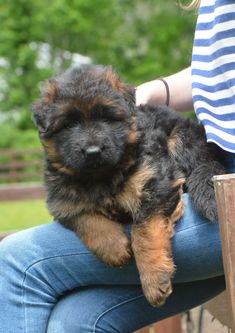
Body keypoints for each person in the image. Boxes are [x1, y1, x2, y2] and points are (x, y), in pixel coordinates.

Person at [0, 0, 234, 332]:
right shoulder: (66, 188)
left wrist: (145, 243)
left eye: (106, 118)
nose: (92, 144)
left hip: (223, 190)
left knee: (16, 262)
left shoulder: (140, 161)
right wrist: (159, 88)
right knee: (76, 321)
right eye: (70, 125)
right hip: (215, 182)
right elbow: (217, 68)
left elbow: (156, 190)